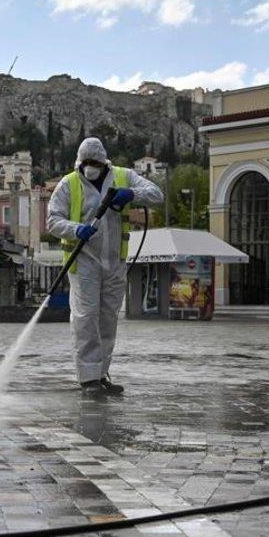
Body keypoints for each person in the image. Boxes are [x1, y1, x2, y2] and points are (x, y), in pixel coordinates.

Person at [47, 137, 163, 396]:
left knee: (108, 320)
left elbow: (157, 195)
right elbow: (53, 221)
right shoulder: (69, 184)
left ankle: (101, 374)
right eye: (86, 162)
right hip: (83, 262)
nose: (91, 167)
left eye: (95, 162)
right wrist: (77, 229)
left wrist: (132, 193)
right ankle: (88, 378)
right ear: (79, 162)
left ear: (104, 161)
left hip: (114, 263)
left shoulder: (123, 176)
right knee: (86, 319)